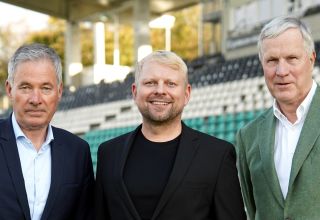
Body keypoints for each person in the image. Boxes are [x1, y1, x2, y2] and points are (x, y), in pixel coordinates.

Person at [95, 50, 246, 220]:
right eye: (150, 82)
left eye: (171, 84)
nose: (160, 90)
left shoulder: (217, 155)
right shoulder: (108, 153)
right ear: (135, 92)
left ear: (187, 93)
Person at [236, 16, 320, 219]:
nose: (281, 71)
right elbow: (253, 208)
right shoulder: (248, 136)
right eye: (272, 61)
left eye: (292, 58)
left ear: (311, 59)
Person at [0, 43, 94, 220]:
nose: (36, 100)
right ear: (10, 90)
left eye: (45, 88)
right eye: (26, 87)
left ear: (59, 92)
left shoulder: (78, 151)